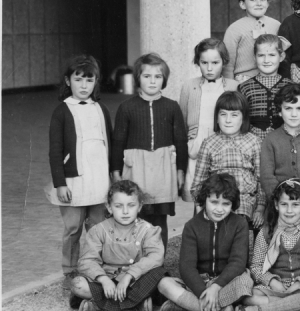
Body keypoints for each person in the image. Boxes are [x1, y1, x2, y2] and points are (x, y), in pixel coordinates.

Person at [47, 55, 112, 287]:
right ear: (68, 81)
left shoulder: (100, 109)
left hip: (99, 180)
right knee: (73, 228)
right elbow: (55, 151)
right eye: (78, 79)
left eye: (89, 80)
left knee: (98, 226)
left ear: (96, 82)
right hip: (73, 182)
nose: (84, 86)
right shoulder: (62, 111)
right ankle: (70, 270)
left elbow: (110, 144)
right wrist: (60, 183)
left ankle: (97, 267)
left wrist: (113, 175)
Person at [111, 53, 188, 249]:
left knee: (159, 221)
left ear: (164, 80)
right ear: (138, 78)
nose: (152, 81)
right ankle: (136, 260)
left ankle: (157, 262)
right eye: (147, 76)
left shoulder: (172, 107)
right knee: (136, 217)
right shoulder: (126, 107)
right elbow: (118, 141)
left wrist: (180, 171)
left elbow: (180, 141)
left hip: (163, 170)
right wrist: (116, 171)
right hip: (136, 169)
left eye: (158, 77)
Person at [159, 173, 253, 311]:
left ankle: (188, 305)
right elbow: (187, 267)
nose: (219, 209)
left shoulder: (239, 224)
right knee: (164, 284)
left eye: (226, 204)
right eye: (214, 202)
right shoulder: (192, 226)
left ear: (232, 204)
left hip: (227, 281)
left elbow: (238, 262)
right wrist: (204, 292)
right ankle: (219, 307)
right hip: (199, 283)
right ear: (205, 199)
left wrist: (215, 287)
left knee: (245, 282)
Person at [71, 180, 166, 311]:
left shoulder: (148, 230)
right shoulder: (99, 230)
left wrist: (129, 276)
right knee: (78, 284)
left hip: (136, 280)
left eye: (131, 205)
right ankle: (137, 305)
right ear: (109, 207)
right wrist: (103, 279)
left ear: (139, 206)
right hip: (107, 280)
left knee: (160, 279)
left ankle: (97, 305)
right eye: (118, 206)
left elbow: (156, 257)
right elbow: (87, 260)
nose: (125, 211)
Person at [243, 180, 300, 311]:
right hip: (276, 289)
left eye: (295, 205)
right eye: (284, 204)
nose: (289, 210)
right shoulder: (267, 232)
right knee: (248, 295)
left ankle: (266, 308)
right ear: (276, 205)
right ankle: (299, 306)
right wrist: (272, 281)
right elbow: (256, 266)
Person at [190, 91, 265, 231]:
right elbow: (198, 184)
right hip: (218, 199)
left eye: (234, 115)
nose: (228, 120)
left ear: (243, 118)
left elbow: (261, 179)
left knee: (238, 218)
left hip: (245, 201)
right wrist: (203, 207)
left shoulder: (254, 142)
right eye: (223, 114)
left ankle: (238, 250)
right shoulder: (209, 143)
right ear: (217, 118)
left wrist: (260, 208)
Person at [178, 38, 239, 202]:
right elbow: (182, 121)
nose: (210, 68)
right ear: (198, 62)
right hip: (196, 150)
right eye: (204, 62)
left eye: (215, 62)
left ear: (224, 62)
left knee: (222, 195)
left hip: (224, 150)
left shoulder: (233, 86)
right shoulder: (189, 86)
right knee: (199, 197)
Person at [260, 83, 300, 204]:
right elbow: (266, 177)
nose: (294, 114)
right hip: (278, 204)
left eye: (299, 108)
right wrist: (280, 201)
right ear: (279, 111)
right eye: (288, 108)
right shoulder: (270, 139)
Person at [222, 0, 281, 82]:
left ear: (267, 3)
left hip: (272, 78)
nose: (259, 3)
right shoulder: (234, 29)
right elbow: (228, 63)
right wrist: (230, 86)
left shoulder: (276, 25)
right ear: (242, 4)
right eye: (253, 0)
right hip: (243, 80)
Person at [238, 34, 293, 141]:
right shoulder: (244, 88)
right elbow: (241, 119)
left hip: (283, 142)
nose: (266, 60)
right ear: (254, 57)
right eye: (261, 55)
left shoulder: (290, 86)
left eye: (272, 55)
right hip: (253, 143)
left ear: (281, 57)